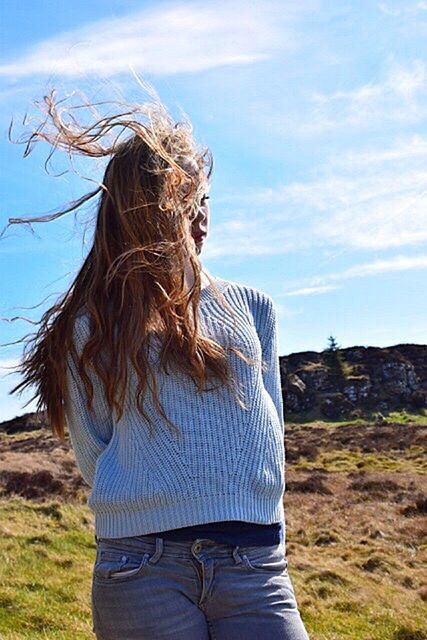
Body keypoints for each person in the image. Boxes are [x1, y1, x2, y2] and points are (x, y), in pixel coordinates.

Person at [8, 82, 310, 639]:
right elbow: (96, 451)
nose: (199, 218)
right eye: (183, 203)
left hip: (257, 568)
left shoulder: (254, 308)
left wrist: (273, 548)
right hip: (141, 570)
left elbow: (271, 440)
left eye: (204, 200)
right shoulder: (88, 331)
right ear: (142, 214)